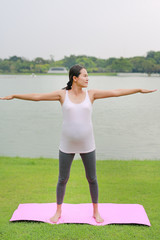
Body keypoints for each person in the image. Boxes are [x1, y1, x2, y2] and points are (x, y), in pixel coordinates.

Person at [0, 65, 157, 223]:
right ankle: (58, 211)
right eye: (85, 76)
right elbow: (37, 96)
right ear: (75, 78)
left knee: (92, 178)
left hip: (87, 144)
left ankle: (96, 211)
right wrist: (14, 95)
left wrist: (137, 89)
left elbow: (115, 93)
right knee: (62, 179)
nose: (88, 78)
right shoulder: (62, 95)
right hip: (66, 144)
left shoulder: (92, 94)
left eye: (88, 76)